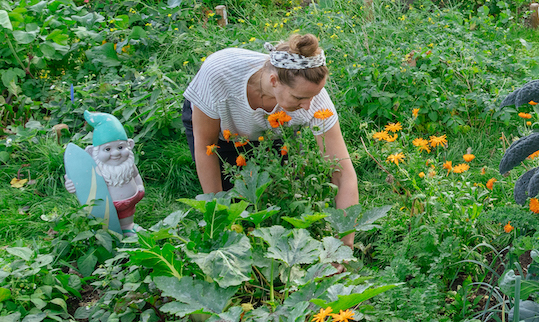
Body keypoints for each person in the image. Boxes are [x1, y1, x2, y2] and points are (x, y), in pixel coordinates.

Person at [183, 34, 359, 246]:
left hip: (273, 135)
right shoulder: (219, 74)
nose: (308, 105)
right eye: (300, 98)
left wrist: (344, 244)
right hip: (222, 134)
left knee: (277, 203)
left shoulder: (314, 100)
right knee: (237, 207)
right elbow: (206, 148)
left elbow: (344, 174)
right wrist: (219, 219)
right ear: (274, 81)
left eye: (314, 95)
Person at [65, 110, 145, 234]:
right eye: (107, 149)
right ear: (92, 152)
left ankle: (127, 226)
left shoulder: (128, 165)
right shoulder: (95, 170)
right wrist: (72, 186)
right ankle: (105, 232)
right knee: (105, 220)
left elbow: (136, 175)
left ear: (130, 144)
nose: (115, 153)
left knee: (127, 216)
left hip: (129, 202)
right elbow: (84, 185)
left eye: (120, 147)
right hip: (105, 207)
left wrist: (139, 186)